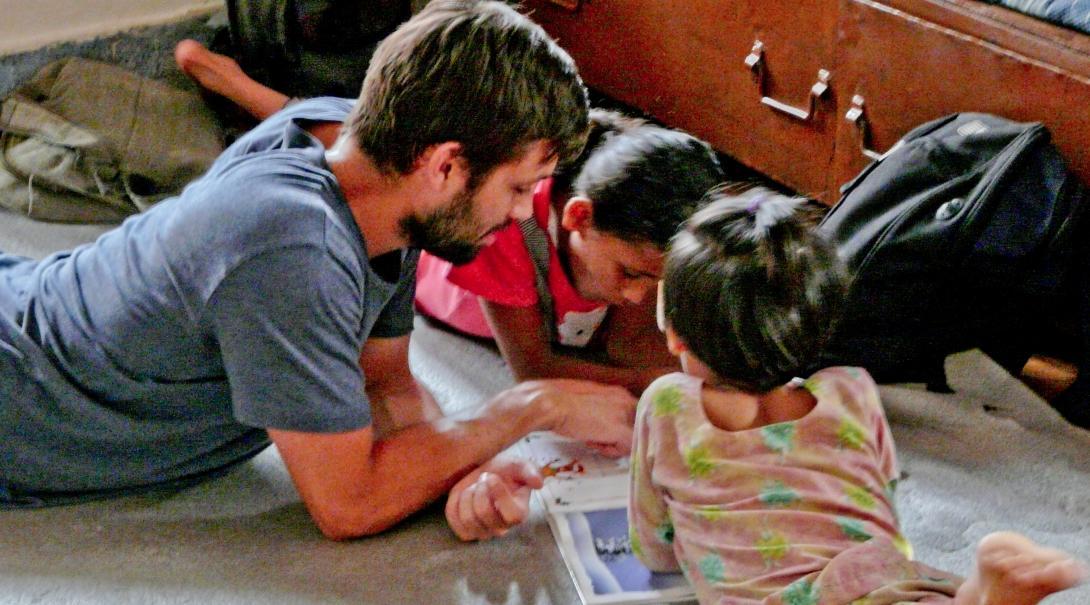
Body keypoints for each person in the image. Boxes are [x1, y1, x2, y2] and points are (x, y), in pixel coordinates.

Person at [0, 0, 639, 544]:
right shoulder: (292, 252)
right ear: (444, 166)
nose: (525, 211)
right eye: (518, 185)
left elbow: (383, 383)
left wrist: (457, 467)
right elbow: (347, 503)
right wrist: (529, 406)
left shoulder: (369, 160)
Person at [174, 41, 726, 394]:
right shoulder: (508, 229)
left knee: (358, 144)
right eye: (632, 275)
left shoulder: (638, 246)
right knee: (356, 150)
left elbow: (631, 351)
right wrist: (654, 387)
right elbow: (533, 371)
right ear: (579, 218)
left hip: (473, 201)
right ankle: (246, 88)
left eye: (653, 283)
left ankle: (262, 95)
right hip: (442, 235)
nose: (637, 296)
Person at [629, 187, 1088, 604]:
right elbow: (876, 497)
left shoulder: (668, 403)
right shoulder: (850, 390)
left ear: (676, 336)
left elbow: (655, 547)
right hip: (878, 573)